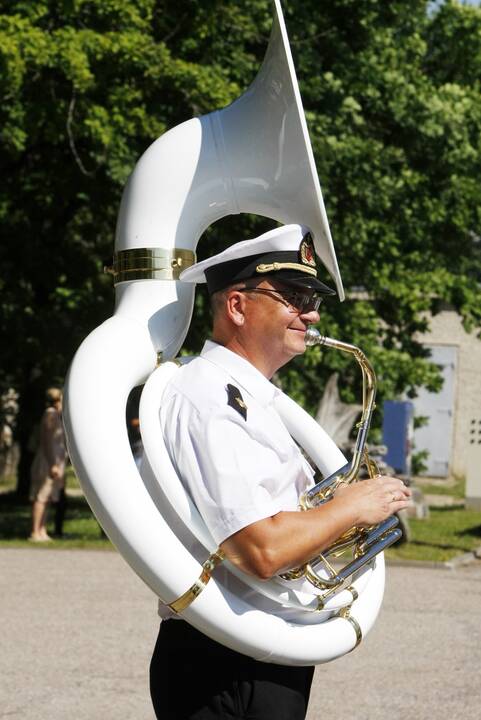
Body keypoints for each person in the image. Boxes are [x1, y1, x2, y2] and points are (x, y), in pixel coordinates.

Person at [149, 224, 411, 720]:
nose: (310, 313)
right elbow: (260, 549)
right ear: (237, 306)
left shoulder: (253, 400)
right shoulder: (210, 398)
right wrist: (351, 506)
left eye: (312, 299)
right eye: (292, 296)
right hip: (223, 659)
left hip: (259, 648)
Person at [29, 387, 67, 542]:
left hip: (55, 461)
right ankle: (35, 531)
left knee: (49, 497)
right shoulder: (50, 414)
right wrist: (53, 463)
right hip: (48, 462)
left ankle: (42, 529)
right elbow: (46, 442)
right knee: (42, 497)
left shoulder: (56, 415)